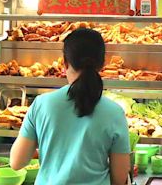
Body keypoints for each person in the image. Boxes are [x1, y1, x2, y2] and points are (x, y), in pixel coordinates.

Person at [10, 28, 130, 185]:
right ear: (102, 64)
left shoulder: (41, 104)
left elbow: (17, 162)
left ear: (65, 63)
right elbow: (120, 179)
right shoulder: (115, 112)